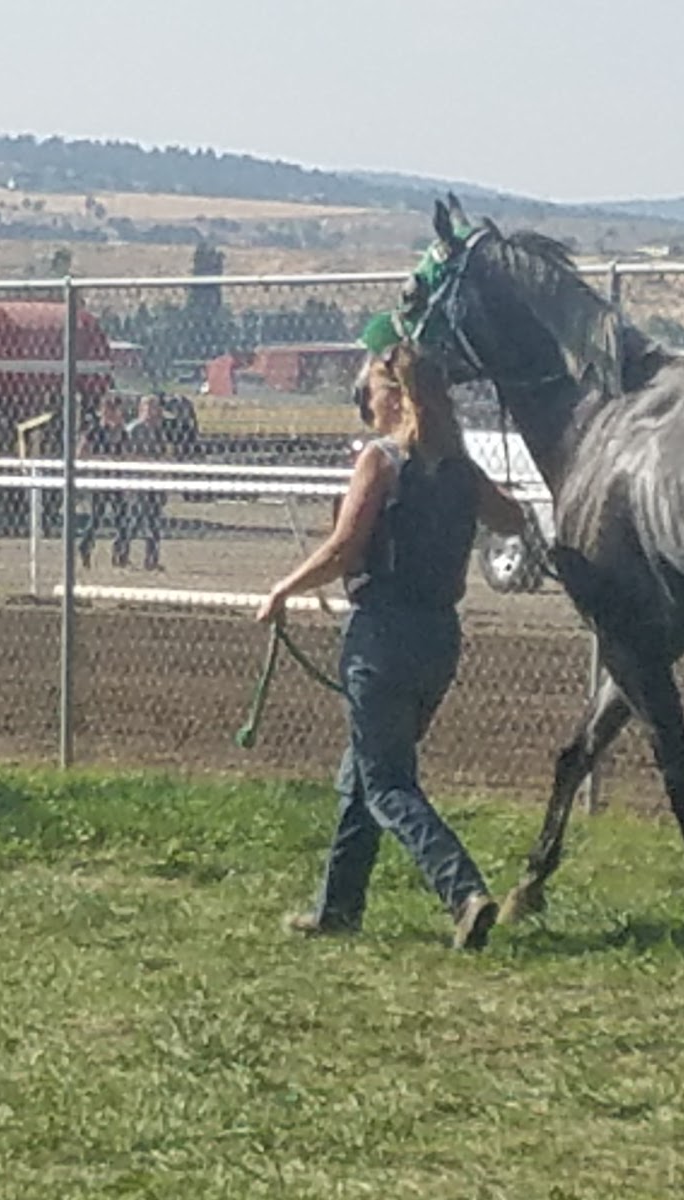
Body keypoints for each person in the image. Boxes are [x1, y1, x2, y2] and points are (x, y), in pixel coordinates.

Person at [257, 338, 528, 951]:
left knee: (387, 784)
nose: (366, 400)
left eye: (373, 390)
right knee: (365, 772)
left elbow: (344, 549)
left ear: (399, 397)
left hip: (381, 635)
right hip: (437, 639)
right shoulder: (457, 467)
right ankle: (338, 909)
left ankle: (463, 892)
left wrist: (282, 590)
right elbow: (512, 519)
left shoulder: (380, 461)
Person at [78, 396, 131, 569]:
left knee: (122, 519)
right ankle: (85, 547)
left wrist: (120, 461)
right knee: (96, 517)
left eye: (117, 411)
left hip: (117, 480)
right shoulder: (94, 430)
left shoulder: (122, 433)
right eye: (111, 410)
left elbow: (125, 455)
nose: (116, 414)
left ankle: (121, 554)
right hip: (100, 480)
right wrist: (102, 459)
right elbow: (81, 454)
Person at [124, 393, 170, 571]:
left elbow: (164, 454)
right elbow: (127, 456)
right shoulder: (134, 430)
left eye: (156, 407)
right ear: (141, 409)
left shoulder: (159, 430)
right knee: (135, 521)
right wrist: (148, 462)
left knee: (154, 521)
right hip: (138, 481)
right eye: (149, 407)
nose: (153, 411)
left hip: (154, 481)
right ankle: (122, 553)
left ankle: (151, 559)